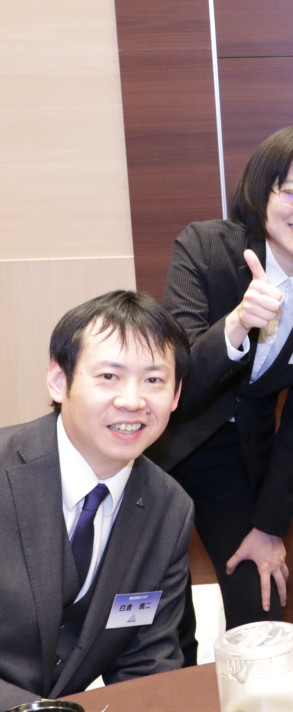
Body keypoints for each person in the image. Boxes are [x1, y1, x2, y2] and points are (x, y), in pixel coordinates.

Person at [146, 123, 293, 633]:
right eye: (292, 191)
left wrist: (270, 528)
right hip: (158, 447)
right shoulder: (206, 248)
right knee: (162, 623)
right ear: (261, 191)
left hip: (236, 459)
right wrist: (237, 324)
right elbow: (174, 382)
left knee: (262, 614)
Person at [0, 290, 194, 708]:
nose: (133, 401)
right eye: (109, 376)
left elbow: (147, 660)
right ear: (58, 380)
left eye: (154, 380)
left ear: (176, 394)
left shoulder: (169, 508)